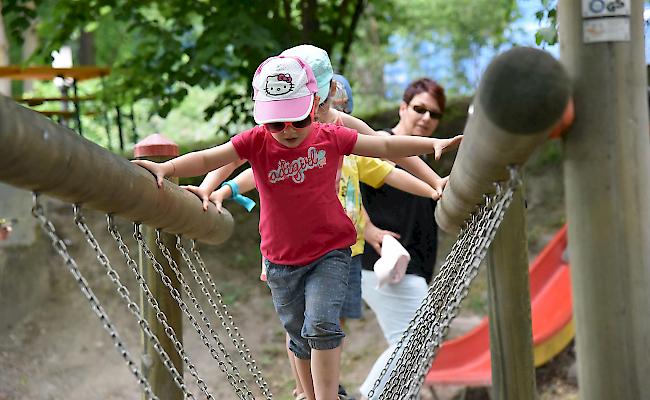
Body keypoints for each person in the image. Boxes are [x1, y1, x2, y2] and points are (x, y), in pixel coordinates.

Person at [133, 55, 459, 400]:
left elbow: (385, 147)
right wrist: (170, 171)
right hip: (281, 260)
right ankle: (309, 393)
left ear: (314, 106)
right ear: (265, 119)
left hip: (330, 252)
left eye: (297, 120)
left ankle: (327, 396)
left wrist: (431, 147)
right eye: (277, 124)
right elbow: (211, 157)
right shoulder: (257, 141)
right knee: (298, 336)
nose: (287, 130)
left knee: (321, 325)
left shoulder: (330, 135)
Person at [359, 78, 452, 399]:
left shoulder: (422, 162)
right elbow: (344, 186)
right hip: (382, 262)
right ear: (402, 108)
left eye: (434, 114)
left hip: (410, 266)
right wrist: (368, 228)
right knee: (415, 341)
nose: (427, 118)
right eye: (419, 109)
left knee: (414, 348)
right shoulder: (380, 144)